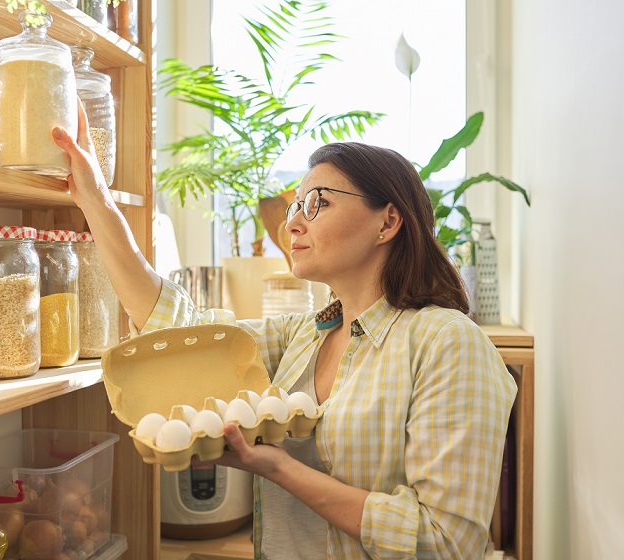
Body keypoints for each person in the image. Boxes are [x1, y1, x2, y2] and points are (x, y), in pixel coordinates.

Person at [52, 102, 517, 559]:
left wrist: (280, 468)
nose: (292, 222)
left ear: (388, 221)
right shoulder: (305, 336)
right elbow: (176, 329)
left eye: (318, 203)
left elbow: (445, 543)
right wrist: (96, 198)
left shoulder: (447, 343)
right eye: (296, 204)